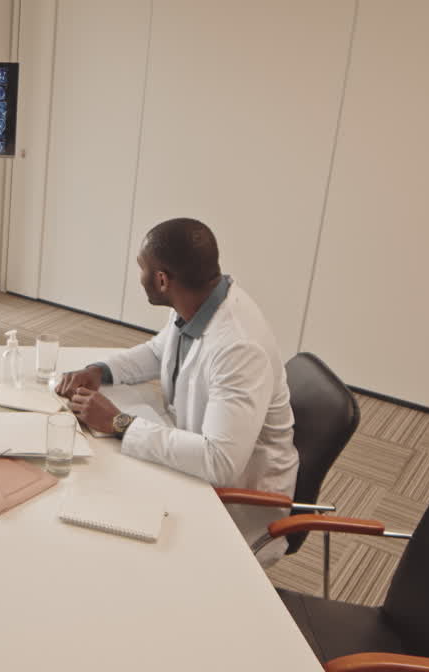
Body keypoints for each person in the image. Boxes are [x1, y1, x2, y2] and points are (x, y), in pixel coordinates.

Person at [55, 218, 298, 567]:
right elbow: (158, 353)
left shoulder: (238, 346)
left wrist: (120, 422)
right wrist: (99, 371)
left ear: (162, 279)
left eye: (142, 268)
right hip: (193, 456)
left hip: (234, 503)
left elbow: (220, 463)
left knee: (106, 520)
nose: (138, 276)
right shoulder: (200, 300)